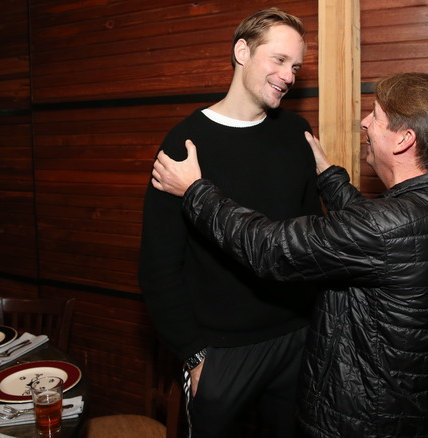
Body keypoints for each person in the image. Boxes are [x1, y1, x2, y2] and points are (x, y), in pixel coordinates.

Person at [150, 73, 428, 437]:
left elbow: (270, 248)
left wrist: (196, 191)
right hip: (416, 410)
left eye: (376, 115)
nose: (365, 122)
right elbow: (381, 237)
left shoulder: (386, 227)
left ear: (404, 139)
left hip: (363, 420)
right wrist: (330, 177)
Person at [138, 8, 322, 438]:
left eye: (295, 66)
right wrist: (193, 354)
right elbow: (158, 264)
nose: (288, 75)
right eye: (278, 60)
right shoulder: (185, 142)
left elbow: (311, 237)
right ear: (242, 51)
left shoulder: (296, 132)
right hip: (220, 352)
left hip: (296, 339)